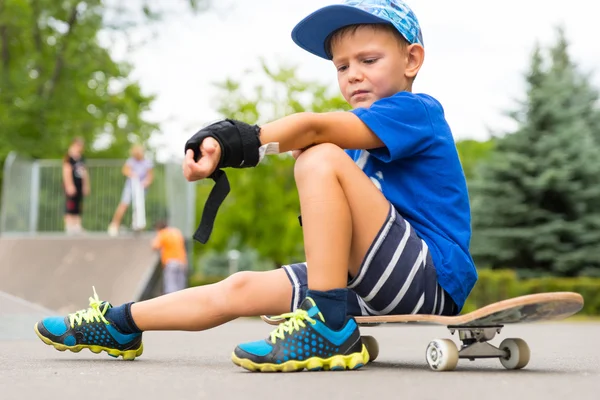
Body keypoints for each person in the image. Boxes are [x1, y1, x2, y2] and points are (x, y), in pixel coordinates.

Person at [34, 0, 478, 372]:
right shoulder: (353, 144)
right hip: (366, 278)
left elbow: (312, 127)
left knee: (317, 153)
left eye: (368, 60)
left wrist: (231, 142)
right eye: (342, 66)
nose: (353, 75)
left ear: (412, 60)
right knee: (240, 288)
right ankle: (120, 323)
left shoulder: (417, 111)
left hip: (428, 276)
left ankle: (327, 325)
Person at [108, 144, 154, 236]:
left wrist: (146, 182)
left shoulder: (147, 162)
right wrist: (132, 174)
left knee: (139, 207)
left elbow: (150, 176)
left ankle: (138, 226)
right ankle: (114, 225)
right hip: (131, 186)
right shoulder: (131, 161)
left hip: (141, 188)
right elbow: (125, 170)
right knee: (124, 204)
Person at [62, 137, 90, 234]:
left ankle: (77, 226)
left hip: (79, 184)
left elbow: (84, 172)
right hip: (72, 184)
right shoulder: (69, 158)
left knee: (78, 205)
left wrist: (86, 185)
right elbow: (66, 171)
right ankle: (69, 225)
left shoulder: (81, 158)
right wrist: (69, 185)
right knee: (70, 205)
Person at [152, 220, 188, 294]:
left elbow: (154, 246)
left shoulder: (163, 233)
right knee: (180, 287)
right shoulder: (176, 232)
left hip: (171, 262)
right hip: (182, 261)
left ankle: (172, 304)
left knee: (171, 287)